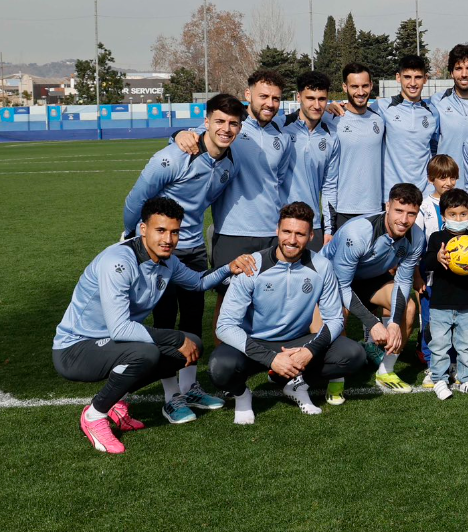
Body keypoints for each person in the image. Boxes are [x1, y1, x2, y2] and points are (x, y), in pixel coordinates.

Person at [53, 198, 255, 454]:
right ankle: (94, 414)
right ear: (143, 229)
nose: (168, 239)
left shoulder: (166, 260)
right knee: (151, 351)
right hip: (75, 349)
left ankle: (115, 402)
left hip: (112, 346)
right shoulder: (118, 263)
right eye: (160, 231)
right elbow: (120, 329)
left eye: (174, 232)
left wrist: (228, 268)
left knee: (191, 345)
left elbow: (196, 282)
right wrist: (174, 338)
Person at [121, 92, 242, 400]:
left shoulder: (229, 164)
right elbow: (136, 199)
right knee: (164, 322)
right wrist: (131, 233)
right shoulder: (173, 157)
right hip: (159, 251)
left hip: (194, 250)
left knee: (191, 320)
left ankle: (190, 387)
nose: (226, 129)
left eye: (233, 123)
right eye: (219, 121)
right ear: (206, 121)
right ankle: (171, 395)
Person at [210, 202, 364, 424]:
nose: (292, 240)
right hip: (255, 343)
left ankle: (297, 384)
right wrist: (271, 359)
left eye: (300, 234)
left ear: (311, 236)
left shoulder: (321, 266)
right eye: (287, 232)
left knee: (353, 354)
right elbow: (224, 326)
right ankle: (242, 396)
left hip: (298, 343)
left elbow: (335, 319)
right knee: (219, 368)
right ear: (277, 231)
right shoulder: (252, 266)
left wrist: (309, 351)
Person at [174, 69, 294, 271]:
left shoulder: (283, 137)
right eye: (263, 96)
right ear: (248, 95)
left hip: (271, 232)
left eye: (276, 98)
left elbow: (278, 182)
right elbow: (191, 137)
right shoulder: (229, 127)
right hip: (232, 231)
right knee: (227, 298)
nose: (270, 103)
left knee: (269, 300)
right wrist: (178, 134)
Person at [320, 182, 427, 397]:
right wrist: (372, 323)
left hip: (369, 277)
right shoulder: (358, 232)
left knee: (408, 309)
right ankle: (336, 379)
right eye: (399, 211)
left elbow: (404, 282)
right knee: (339, 314)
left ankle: (385, 372)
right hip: (331, 280)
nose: (404, 220)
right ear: (387, 206)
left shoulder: (416, 237)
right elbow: (341, 286)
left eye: (411, 214)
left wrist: (395, 322)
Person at [420, 189, 468, 399]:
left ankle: (466, 378)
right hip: (441, 301)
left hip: (467, 301)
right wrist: (437, 257)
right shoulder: (437, 237)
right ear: (443, 216)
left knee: (467, 343)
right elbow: (427, 262)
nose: (458, 219)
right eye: (453, 214)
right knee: (440, 344)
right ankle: (439, 378)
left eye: (463, 214)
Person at [412, 154, 460, 384]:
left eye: (452, 177)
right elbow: (416, 246)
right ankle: (432, 363)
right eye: (442, 178)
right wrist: (417, 275)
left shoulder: (460, 203)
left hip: (456, 276)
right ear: (431, 179)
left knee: (454, 318)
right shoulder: (423, 207)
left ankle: (452, 362)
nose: (448, 183)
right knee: (431, 320)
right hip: (431, 274)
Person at [283, 71, 340, 250]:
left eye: (322, 99)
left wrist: (329, 229)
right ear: (298, 97)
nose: (317, 105)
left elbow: (330, 186)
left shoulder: (332, 136)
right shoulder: (279, 126)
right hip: (279, 223)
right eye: (310, 98)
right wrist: (196, 133)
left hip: (312, 226)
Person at [330, 63, 385, 232]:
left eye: (364, 86)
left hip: (375, 208)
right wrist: (326, 107)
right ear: (344, 87)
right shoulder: (331, 118)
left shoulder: (380, 118)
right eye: (354, 86)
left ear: (371, 85)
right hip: (344, 208)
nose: (360, 92)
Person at [374, 55, 441, 194]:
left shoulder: (432, 112)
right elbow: (356, 114)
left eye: (417, 77)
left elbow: (434, 149)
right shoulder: (382, 107)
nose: (412, 83)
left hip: (424, 194)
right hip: (392, 193)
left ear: (425, 79)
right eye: (407, 77)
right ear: (398, 77)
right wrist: (331, 109)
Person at [432, 43, 468, 183]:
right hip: (447, 187)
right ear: (451, 72)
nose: (464, 74)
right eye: (458, 68)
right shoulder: (437, 102)